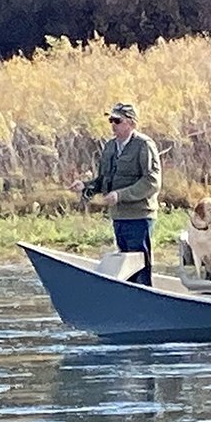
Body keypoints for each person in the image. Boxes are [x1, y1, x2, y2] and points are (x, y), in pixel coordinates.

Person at [69, 102, 162, 285]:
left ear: (131, 123)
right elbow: (104, 179)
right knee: (125, 268)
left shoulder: (144, 145)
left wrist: (120, 195)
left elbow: (152, 181)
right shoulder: (110, 147)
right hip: (118, 217)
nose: (113, 124)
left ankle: (144, 301)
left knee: (139, 267)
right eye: (111, 120)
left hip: (139, 216)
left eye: (117, 121)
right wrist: (85, 186)